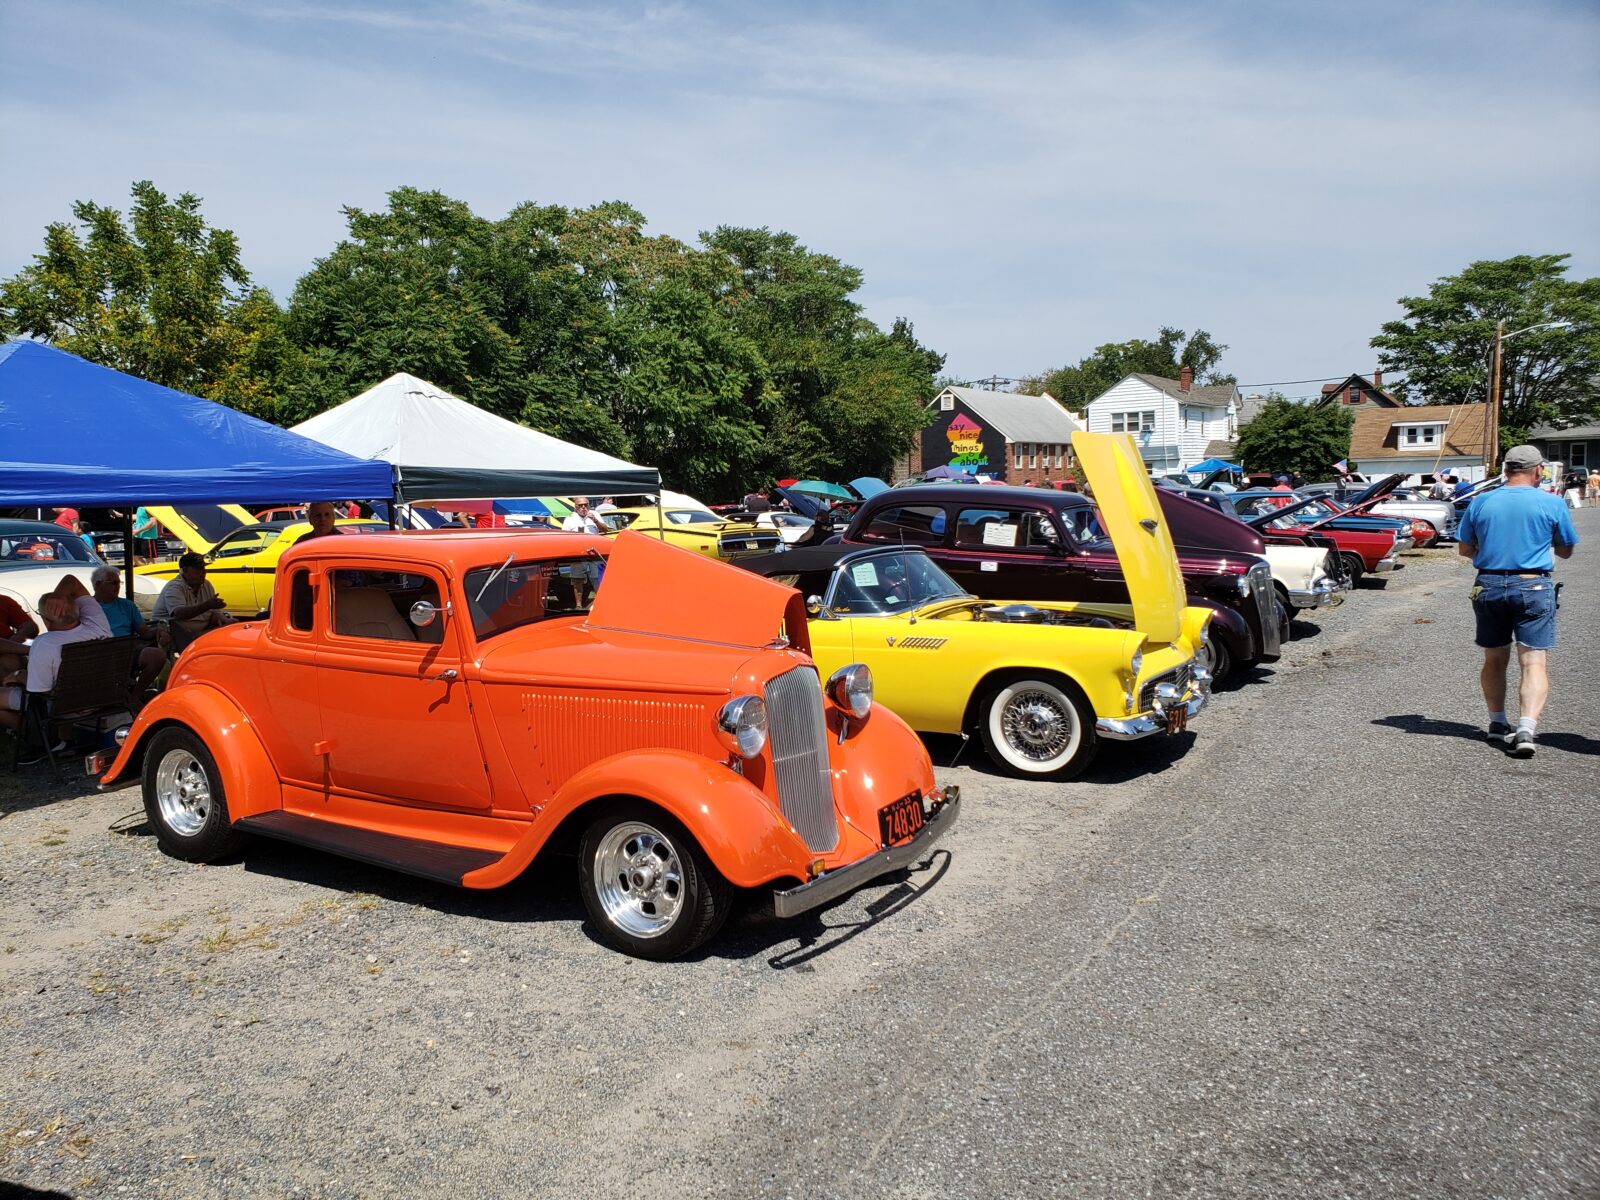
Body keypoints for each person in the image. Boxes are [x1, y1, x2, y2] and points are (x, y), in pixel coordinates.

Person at [1456, 445, 1579, 758]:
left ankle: (1497, 723)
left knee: (1494, 658)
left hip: (1489, 583)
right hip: (1533, 584)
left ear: (1506, 468)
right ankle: (1526, 728)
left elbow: (1464, 548)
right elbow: (1565, 549)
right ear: (1538, 470)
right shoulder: (1551, 502)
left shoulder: (1481, 501)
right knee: (1533, 660)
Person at [1, 576, 111, 747]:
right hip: (103, 698)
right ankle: (63, 740)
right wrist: (59, 595)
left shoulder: (45, 644)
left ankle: (37, 736)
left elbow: (39, 690)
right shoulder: (98, 625)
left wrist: (19, 676)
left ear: (46, 621)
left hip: (64, 706)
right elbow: (72, 581)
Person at [92, 566, 169, 704]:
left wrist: (159, 629)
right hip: (98, 653)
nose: (117, 587)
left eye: (119, 583)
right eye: (113, 583)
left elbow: (144, 632)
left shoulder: (127, 605)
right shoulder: (86, 607)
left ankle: (135, 696)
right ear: (98, 585)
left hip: (126, 651)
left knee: (157, 655)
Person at [152, 553, 235, 652]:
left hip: (198, 632)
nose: (204, 572)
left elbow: (214, 613)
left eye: (204, 568)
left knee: (232, 627)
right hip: (176, 634)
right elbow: (179, 614)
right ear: (185, 571)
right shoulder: (175, 587)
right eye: (198, 569)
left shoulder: (207, 585)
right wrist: (207, 605)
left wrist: (224, 620)